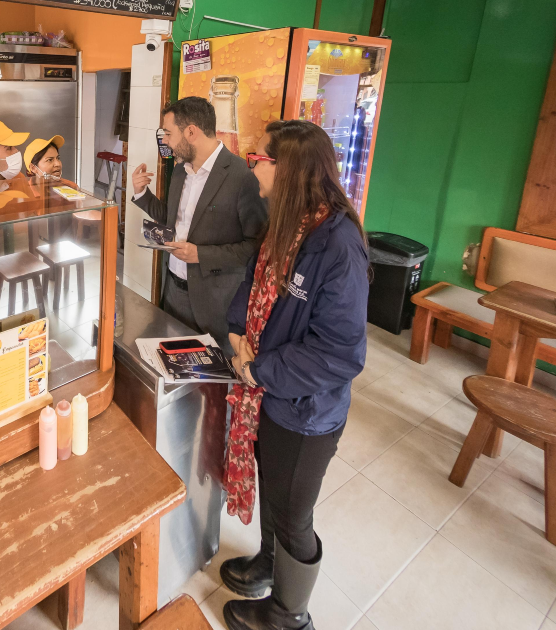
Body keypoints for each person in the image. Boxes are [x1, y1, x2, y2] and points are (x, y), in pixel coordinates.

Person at [218, 119, 369, 630]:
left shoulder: (338, 245)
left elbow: (339, 353)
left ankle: (289, 615)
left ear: (288, 171)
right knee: (272, 488)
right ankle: (268, 562)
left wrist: (256, 369)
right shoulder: (285, 223)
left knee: (293, 514)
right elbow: (252, 283)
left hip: (305, 411)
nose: (251, 167)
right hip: (268, 394)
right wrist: (237, 333)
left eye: (259, 160)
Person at [131, 96, 267, 354]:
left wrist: (200, 255)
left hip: (214, 303)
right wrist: (142, 194)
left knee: (209, 375)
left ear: (191, 132)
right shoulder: (180, 170)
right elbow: (173, 219)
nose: (165, 141)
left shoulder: (242, 177)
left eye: (168, 133)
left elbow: (256, 248)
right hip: (173, 291)